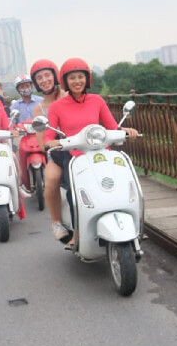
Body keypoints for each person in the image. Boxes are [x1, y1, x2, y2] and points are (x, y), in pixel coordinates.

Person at [43, 58, 139, 244]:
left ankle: (131, 223)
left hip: (101, 153)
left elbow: (112, 127)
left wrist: (125, 131)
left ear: (87, 79)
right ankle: (78, 232)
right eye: (72, 78)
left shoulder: (97, 100)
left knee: (119, 182)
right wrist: (51, 142)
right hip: (74, 155)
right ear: (65, 82)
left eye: (81, 77)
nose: (77, 81)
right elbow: (48, 136)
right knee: (75, 192)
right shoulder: (57, 106)